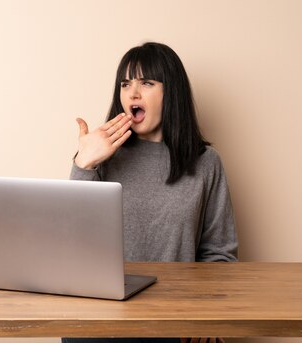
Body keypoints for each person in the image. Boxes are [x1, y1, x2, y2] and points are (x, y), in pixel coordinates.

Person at [63, 42, 238, 343]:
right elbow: (69, 241)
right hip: (98, 319)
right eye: (126, 84)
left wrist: (209, 316)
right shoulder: (100, 155)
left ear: (171, 92)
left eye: (146, 83)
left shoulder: (206, 162)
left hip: (174, 321)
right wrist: (83, 163)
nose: (132, 93)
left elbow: (219, 254)